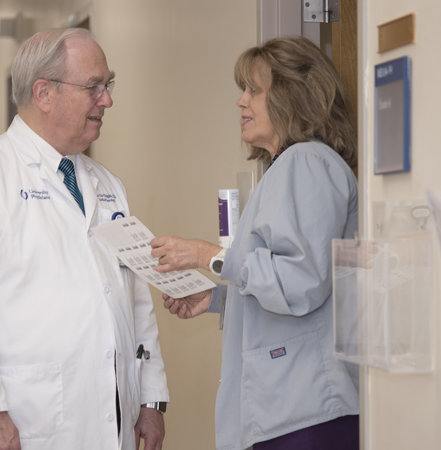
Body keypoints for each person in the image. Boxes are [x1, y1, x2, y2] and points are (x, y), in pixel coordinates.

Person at [0, 28, 169, 450]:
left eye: (108, 85)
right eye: (93, 86)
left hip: (113, 419)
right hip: (24, 421)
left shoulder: (108, 185)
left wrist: (150, 400)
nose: (107, 99)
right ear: (44, 93)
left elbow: (135, 301)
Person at [150, 36, 359, 450]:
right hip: (289, 410)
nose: (241, 102)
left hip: (306, 411)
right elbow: (288, 285)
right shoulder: (287, 168)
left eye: (253, 90)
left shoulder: (307, 163)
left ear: (291, 96)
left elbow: (301, 282)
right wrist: (216, 299)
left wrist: (206, 255)